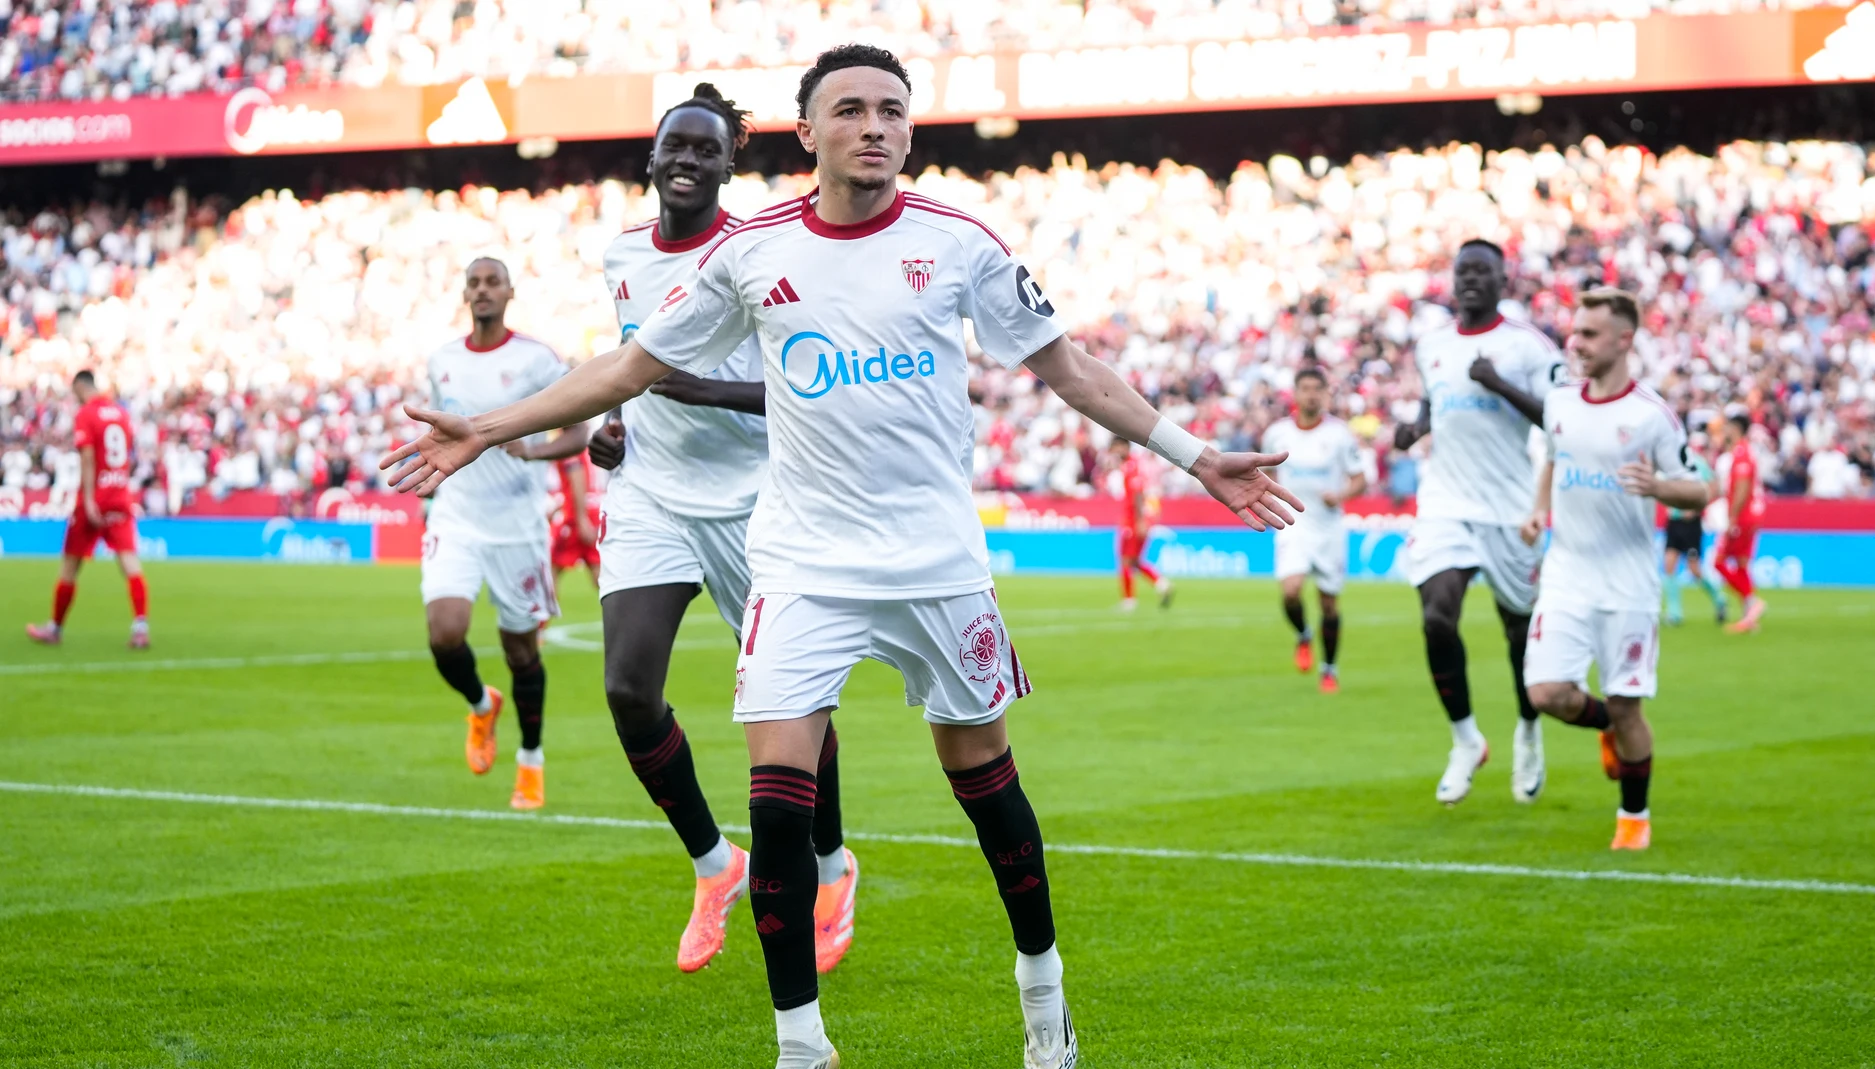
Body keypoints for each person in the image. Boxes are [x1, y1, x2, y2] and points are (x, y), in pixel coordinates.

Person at [381, 43, 1302, 1069]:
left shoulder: (959, 243)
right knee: (777, 802)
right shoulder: (752, 252)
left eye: (891, 111)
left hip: (936, 563)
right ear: (807, 132)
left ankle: (1042, 994)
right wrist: (486, 427)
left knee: (986, 787)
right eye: (851, 109)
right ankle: (801, 1045)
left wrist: (1196, 455)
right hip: (802, 565)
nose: (874, 126)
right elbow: (632, 365)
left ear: (909, 131)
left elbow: (1070, 370)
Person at [586, 83, 859, 976]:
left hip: (757, 501)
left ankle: (831, 866)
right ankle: (715, 863)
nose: (690, 160)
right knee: (629, 689)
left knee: (796, 705)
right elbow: (631, 364)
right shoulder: (621, 254)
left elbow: (811, 382)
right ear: (653, 157)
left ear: (728, 166)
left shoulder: (759, 253)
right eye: (678, 145)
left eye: (709, 149)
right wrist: (612, 426)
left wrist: (702, 390)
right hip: (651, 496)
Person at [1519, 289, 1707, 851]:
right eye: (1574, 331)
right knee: (1546, 693)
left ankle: (1633, 818)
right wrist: (1538, 510)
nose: (1575, 343)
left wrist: (1659, 487)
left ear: (1624, 340)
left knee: (1628, 706)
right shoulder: (1559, 403)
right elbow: (1554, 459)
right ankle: (1607, 728)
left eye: (1589, 334)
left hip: (1628, 585)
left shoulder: (1651, 416)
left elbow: (1700, 490)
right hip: (1566, 574)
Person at [1392, 239, 1568, 807]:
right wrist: (1414, 429)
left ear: (1502, 280)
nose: (1470, 280)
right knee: (1436, 618)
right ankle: (1466, 739)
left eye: (1481, 271)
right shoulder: (1433, 344)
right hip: (1446, 502)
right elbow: (1434, 405)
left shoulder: (1528, 347)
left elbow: (1561, 419)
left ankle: (1528, 730)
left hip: (1510, 509)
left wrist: (1499, 384)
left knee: (1519, 636)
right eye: (1462, 271)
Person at [419, 257, 588, 811]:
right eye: (474, 282)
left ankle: (531, 760)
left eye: (493, 282)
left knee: (521, 651)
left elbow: (579, 433)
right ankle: (480, 703)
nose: (483, 290)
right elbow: (437, 432)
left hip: (517, 526)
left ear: (510, 292)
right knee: (444, 634)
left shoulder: (536, 360)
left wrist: (532, 450)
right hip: (456, 516)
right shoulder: (442, 361)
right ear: (464, 294)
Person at [25, 370, 150, 649]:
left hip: (94, 498)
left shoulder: (86, 414)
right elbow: (127, 455)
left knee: (70, 564)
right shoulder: (121, 413)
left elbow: (88, 457)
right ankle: (140, 627)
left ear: (80, 387)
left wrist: (91, 499)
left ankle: (55, 628)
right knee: (129, 562)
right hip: (120, 494)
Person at [1263, 367, 1367, 692]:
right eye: (1305, 388)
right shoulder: (1277, 434)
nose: (1310, 395)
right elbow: (1265, 473)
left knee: (1329, 604)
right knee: (1290, 591)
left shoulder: (1339, 435)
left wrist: (1340, 495)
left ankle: (1329, 668)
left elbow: (1360, 479)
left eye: (1316, 389)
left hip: (1328, 527)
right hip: (1293, 523)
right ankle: (1303, 634)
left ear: (1325, 394)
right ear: (1295, 393)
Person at [1711, 408, 1768, 633]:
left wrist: (1732, 516)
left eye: (1727, 427)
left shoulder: (1742, 454)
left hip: (1743, 517)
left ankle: (1752, 601)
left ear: (1735, 429)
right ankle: (1749, 617)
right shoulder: (1743, 451)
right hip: (1750, 516)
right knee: (1742, 563)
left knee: (1719, 561)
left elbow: (1742, 488)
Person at [1661, 430, 1726, 626]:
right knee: (1669, 564)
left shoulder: (1698, 463)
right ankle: (1674, 612)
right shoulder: (1669, 463)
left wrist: (1697, 507)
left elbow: (1714, 487)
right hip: (1674, 520)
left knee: (1694, 569)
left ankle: (1718, 597)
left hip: (1691, 523)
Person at [1104, 436, 1173, 610]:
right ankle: (1162, 584)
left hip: (1133, 520)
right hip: (1134, 518)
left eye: (1117, 447)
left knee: (1126, 560)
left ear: (1124, 446)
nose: (1115, 451)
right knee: (1134, 561)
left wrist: (1140, 521)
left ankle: (1129, 601)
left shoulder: (1132, 466)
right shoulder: (1130, 465)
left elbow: (1138, 495)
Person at [548, 451, 600, 588]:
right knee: (601, 576)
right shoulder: (583, 446)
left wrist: (581, 517)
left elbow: (576, 472)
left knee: (548, 572)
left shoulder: (569, 447)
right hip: (591, 510)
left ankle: (542, 603)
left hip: (573, 517)